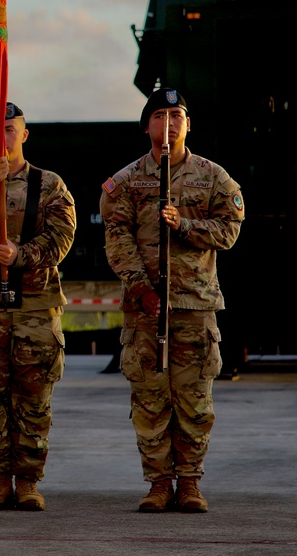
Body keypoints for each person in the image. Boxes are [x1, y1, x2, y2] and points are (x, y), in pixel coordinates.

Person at [100, 87, 244, 513]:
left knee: (195, 401)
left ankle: (191, 483)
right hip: (145, 308)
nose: (169, 124)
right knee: (150, 399)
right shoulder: (127, 180)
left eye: (177, 115)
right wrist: (139, 287)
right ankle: (159, 483)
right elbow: (117, 238)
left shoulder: (212, 177)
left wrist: (184, 225)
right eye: (160, 115)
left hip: (195, 305)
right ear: (147, 126)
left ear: (188, 124)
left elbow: (228, 231)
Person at [0, 102, 76, 511]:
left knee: (34, 393)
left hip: (35, 306)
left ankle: (28, 480)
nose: (1, 137)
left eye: (9, 129)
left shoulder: (49, 184)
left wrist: (21, 254)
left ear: (24, 135)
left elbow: (62, 238)